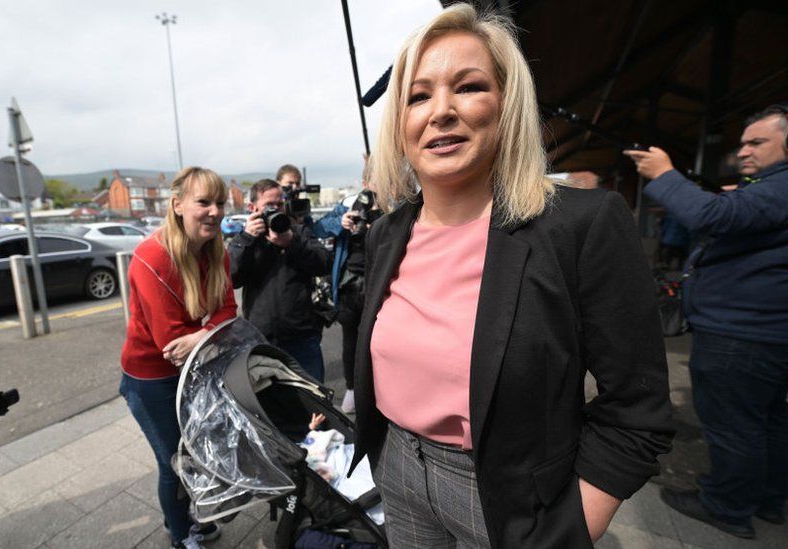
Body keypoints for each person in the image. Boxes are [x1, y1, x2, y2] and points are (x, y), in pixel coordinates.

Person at [350, 5, 674, 548]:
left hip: (506, 497)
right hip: (397, 469)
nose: (442, 112)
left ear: (508, 105)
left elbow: (637, 411)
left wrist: (569, 531)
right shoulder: (386, 234)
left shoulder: (581, 224)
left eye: (469, 86)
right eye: (418, 95)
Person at [625, 103, 788, 539]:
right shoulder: (768, 188)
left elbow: (711, 217)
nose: (744, 152)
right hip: (765, 331)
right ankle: (767, 498)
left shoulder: (780, 187)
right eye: (743, 143)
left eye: (757, 142)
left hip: (741, 334)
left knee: (734, 426)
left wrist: (664, 174)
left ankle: (727, 505)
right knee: (767, 421)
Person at [119, 167, 237, 549]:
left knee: (193, 455)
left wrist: (203, 334)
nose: (215, 211)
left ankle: (183, 520)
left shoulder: (216, 251)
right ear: (178, 205)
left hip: (193, 368)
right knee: (175, 462)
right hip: (150, 380)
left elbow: (228, 311)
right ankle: (181, 535)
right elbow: (171, 345)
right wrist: (213, 334)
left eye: (220, 203)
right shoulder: (152, 256)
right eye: (204, 202)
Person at [228, 179, 331, 381]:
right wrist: (248, 238)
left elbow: (324, 263)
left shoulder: (297, 232)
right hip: (261, 339)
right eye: (269, 206)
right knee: (270, 403)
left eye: (279, 205)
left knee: (313, 400)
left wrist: (292, 243)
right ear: (253, 207)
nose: (275, 210)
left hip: (301, 336)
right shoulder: (247, 239)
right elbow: (232, 278)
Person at [311, 161, 381, 413]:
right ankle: (352, 388)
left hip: (382, 287)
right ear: (365, 183)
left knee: (381, 341)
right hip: (350, 287)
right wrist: (340, 223)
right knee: (351, 341)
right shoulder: (349, 206)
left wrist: (381, 222)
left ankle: (381, 392)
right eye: (375, 179)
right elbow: (317, 228)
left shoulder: (395, 207)